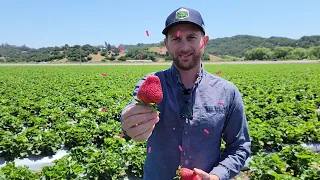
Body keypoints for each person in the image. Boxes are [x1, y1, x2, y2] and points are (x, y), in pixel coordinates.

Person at [121, 7, 251, 180]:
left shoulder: (227, 92)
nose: (184, 47)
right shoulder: (151, 83)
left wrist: (217, 176)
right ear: (166, 44)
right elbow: (134, 108)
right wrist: (129, 122)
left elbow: (240, 147)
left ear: (204, 41)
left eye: (191, 37)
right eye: (176, 39)